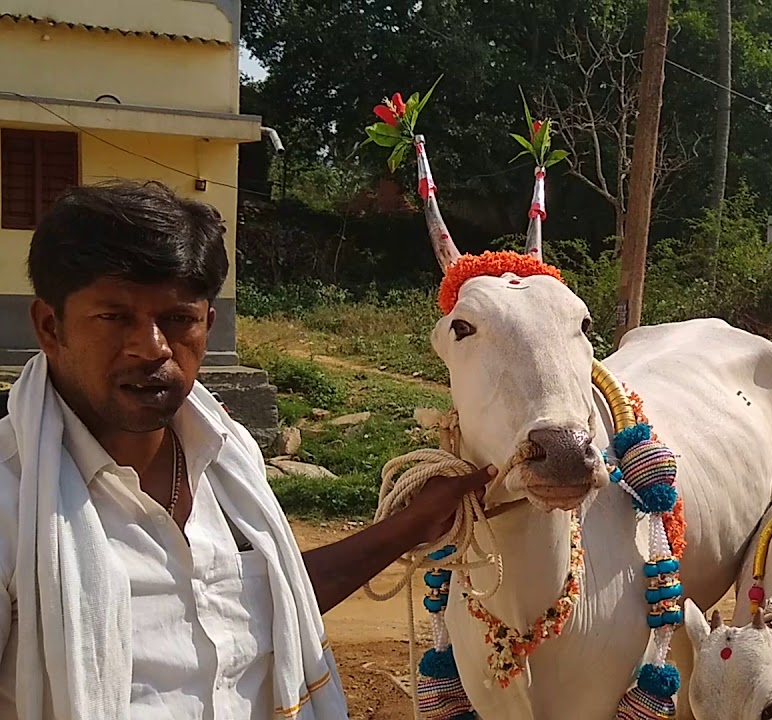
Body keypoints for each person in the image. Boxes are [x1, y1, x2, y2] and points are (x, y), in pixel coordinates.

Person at [0, 180, 494, 719]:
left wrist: (411, 525)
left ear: (207, 325)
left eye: (178, 319)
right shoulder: (14, 502)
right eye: (114, 317)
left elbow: (277, 602)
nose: (152, 347)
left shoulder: (226, 456)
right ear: (51, 327)